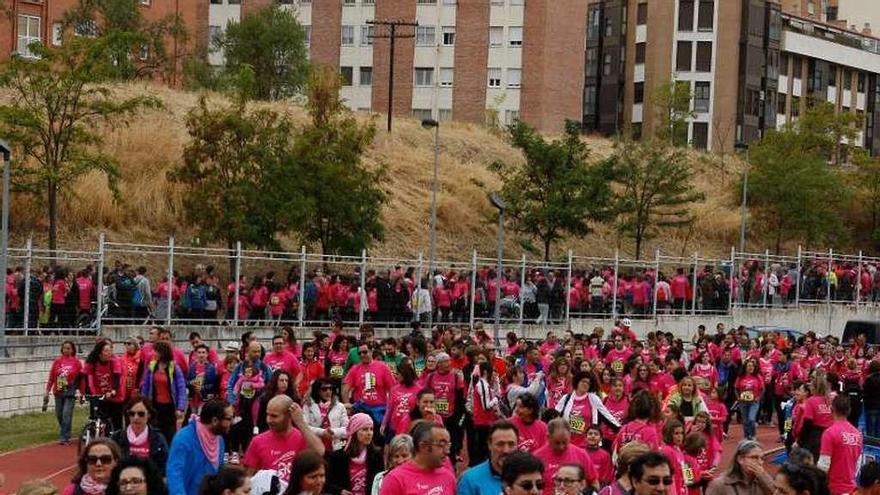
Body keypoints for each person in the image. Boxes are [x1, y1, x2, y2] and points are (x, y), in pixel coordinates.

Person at [243, 395, 325, 483]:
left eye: (274, 416)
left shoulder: (303, 437)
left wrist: (300, 422)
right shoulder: (257, 441)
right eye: (267, 414)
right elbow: (247, 478)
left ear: (289, 415)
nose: (268, 420)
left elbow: (320, 451)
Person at [166, 399, 232, 495]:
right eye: (229, 419)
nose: (232, 422)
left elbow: (219, 473)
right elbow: (174, 474)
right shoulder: (184, 438)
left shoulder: (219, 440)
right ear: (215, 420)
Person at [379, 421, 456, 495]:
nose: (447, 451)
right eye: (441, 445)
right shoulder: (395, 480)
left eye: (448, 445)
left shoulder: (449, 477)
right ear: (423, 446)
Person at [554, 371, 620, 448]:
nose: (585, 384)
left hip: (587, 445)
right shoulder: (566, 398)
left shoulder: (593, 399)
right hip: (567, 445)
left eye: (588, 383)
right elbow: (554, 417)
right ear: (577, 382)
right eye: (583, 381)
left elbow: (607, 417)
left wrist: (621, 429)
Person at [534, 418, 598, 495]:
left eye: (565, 442)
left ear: (570, 436)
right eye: (557, 443)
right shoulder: (537, 457)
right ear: (548, 437)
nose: (561, 447)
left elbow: (595, 483)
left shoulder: (581, 454)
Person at [139, 341, 187, 444]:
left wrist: (180, 408)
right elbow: (146, 386)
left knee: (169, 435)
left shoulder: (174, 367)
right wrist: (144, 403)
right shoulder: (152, 366)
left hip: (170, 408)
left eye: (156, 351)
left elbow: (181, 388)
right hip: (155, 406)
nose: (153, 353)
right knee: (154, 434)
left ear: (162, 353)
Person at [325, 413, 384, 495]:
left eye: (371, 429)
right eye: (365, 429)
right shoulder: (337, 457)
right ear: (354, 432)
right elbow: (327, 484)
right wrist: (340, 491)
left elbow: (380, 482)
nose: (369, 433)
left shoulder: (376, 455)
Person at [109, 398, 169, 476]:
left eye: (141, 414)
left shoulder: (158, 439)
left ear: (149, 415)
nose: (136, 417)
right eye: (132, 414)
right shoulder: (116, 438)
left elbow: (164, 468)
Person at [818, 394, 863, 495]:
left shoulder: (829, 433)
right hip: (851, 489)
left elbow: (823, 466)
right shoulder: (858, 434)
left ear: (832, 408)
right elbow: (857, 465)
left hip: (834, 489)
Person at [458, 421, 519, 495]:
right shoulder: (470, 480)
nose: (506, 450)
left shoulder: (528, 476)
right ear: (489, 445)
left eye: (511, 444)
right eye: (500, 444)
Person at [45, 340, 82, 445]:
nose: (66, 350)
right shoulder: (57, 361)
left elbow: (81, 378)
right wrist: (47, 391)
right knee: (59, 414)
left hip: (70, 391)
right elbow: (52, 377)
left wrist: (80, 392)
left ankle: (64, 437)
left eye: (68, 348)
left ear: (73, 350)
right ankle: (66, 430)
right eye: (64, 348)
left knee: (66, 414)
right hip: (59, 390)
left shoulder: (76, 362)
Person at [83, 339, 126, 432]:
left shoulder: (115, 360)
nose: (110, 353)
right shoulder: (93, 361)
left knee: (116, 421)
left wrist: (113, 390)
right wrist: (80, 391)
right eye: (106, 351)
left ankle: (117, 440)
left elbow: (116, 377)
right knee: (100, 418)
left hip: (115, 394)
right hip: (101, 394)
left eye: (110, 350)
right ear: (100, 353)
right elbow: (83, 374)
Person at [705, 440, 773, 495]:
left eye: (762, 458)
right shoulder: (719, 485)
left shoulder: (764, 482)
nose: (760, 462)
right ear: (740, 459)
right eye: (754, 457)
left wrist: (764, 476)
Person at [304, 377, 349, 452]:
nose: (328, 392)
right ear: (317, 391)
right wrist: (322, 432)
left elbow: (347, 429)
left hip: (335, 448)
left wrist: (333, 432)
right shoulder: (308, 406)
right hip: (315, 448)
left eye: (330, 389)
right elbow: (305, 427)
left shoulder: (340, 406)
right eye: (324, 389)